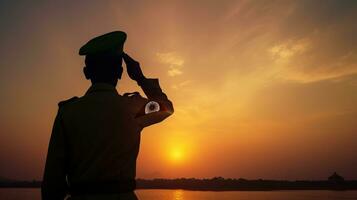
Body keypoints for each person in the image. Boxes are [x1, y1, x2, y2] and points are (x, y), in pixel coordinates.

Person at [41, 31, 174, 200]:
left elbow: (52, 182)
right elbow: (167, 108)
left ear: (86, 73)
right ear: (120, 72)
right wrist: (140, 78)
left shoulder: (68, 112)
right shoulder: (133, 109)